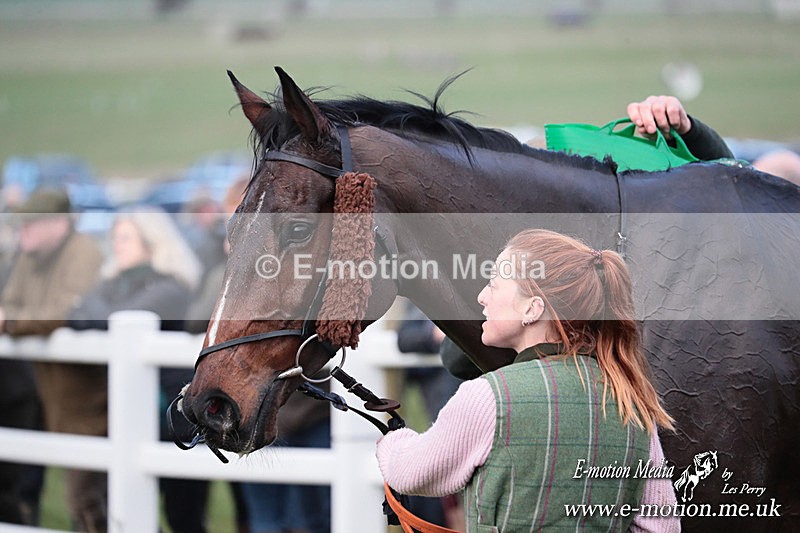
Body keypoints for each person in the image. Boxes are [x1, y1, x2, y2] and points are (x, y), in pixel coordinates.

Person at [377, 229, 680, 532]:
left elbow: (410, 472)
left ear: (532, 308)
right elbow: (662, 527)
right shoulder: (630, 402)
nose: (482, 298)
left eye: (494, 285)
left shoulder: (488, 397)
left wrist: (390, 441)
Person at [67, 207, 203, 533]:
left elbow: (112, 318)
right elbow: (78, 314)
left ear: (151, 242)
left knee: (183, 516)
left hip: (174, 420)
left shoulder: (172, 287)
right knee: (127, 506)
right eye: (115, 237)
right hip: (133, 416)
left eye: (125, 237)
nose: (116, 244)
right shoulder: (113, 284)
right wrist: (94, 310)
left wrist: (95, 310)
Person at [0, 188, 104, 530]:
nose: (22, 230)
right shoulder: (29, 256)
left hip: (88, 402)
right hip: (46, 394)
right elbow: (10, 302)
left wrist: (13, 322)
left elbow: (63, 311)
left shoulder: (84, 253)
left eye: (31, 223)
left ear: (59, 224)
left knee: (89, 499)